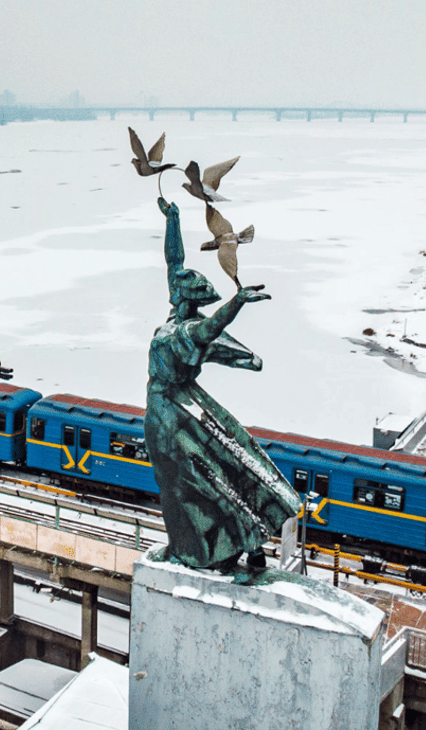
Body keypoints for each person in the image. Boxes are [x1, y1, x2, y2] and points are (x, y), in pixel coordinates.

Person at [143, 197, 301, 575]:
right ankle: (243, 543)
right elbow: (174, 261)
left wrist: (237, 302)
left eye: (179, 287)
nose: (174, 284)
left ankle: (211, 546)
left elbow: (212, 328)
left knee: (190, 483)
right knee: (213, 470)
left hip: (168, 410)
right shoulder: (177, 317)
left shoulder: (186, 332)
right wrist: (174, 220)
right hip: (183, 403)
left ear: (183, 297)